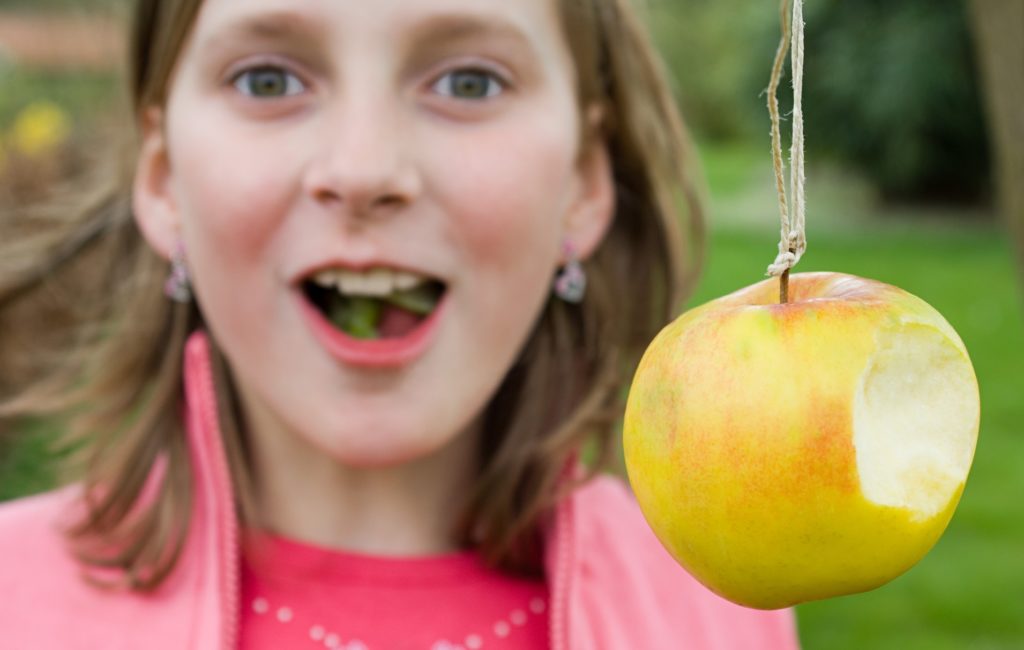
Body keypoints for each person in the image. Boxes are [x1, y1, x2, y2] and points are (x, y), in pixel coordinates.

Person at [0, 0, 799, 648]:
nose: (364, 170)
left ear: (584, 180)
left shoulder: (720, 609)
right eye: (269, 80)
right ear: (163, 175)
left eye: (470, 83)